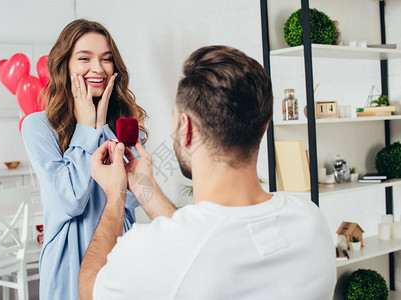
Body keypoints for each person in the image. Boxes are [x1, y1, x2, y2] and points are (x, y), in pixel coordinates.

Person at [80, 45, 337, 299]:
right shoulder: (311, 221)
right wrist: (143, 186)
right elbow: (198, 238)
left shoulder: (153, 250)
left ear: (186, 128)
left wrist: (115, 195)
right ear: (264, 125)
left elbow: (89, 288)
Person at [21, 19, 148, 299]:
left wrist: (101, 126)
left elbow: (134, 199)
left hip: (120, 251)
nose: (98, 68)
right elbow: (71, 200)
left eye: (106, 59)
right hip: (68, 261)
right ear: (64, 65)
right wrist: (87, 128)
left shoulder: (127, 127)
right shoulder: (37, 126)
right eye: (84, 58)